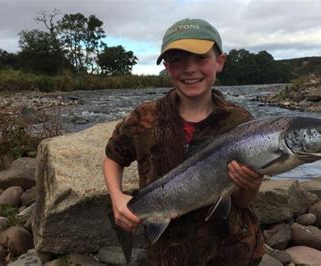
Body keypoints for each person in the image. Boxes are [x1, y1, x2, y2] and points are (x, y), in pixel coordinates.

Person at [103, 18, 265, 265]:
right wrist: (117, 197)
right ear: (166, 66)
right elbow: (113, 157)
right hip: (167, 253)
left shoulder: (239, 121)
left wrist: (251, 184)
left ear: (219, 62)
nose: (190, 69)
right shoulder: (143, 118)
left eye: (201, 58)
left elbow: (242, 201)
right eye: (178, 60)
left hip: (230, 251)